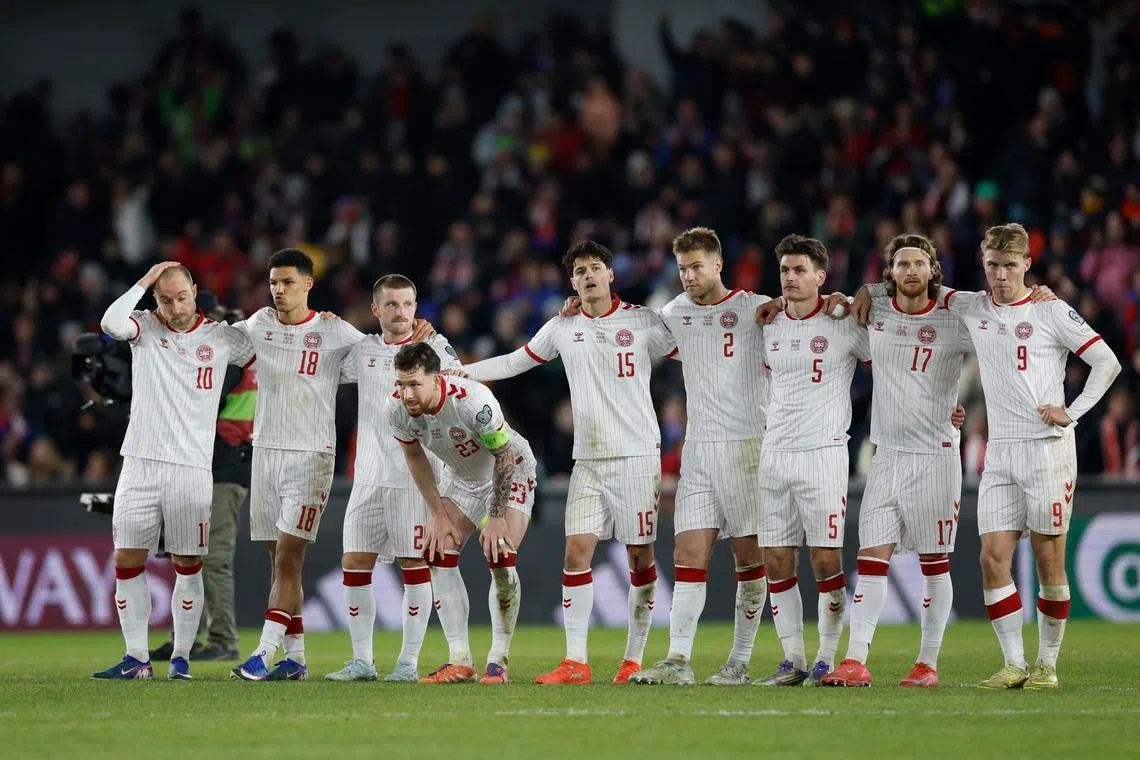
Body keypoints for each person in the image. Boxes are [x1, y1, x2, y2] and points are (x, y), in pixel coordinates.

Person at [856, 223, 1120, 689]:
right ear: (984, 264)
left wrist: (1072, 411)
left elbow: (1107, 361)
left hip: (1046, 451)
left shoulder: (1050, 309)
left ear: (1026, 265)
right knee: (991, 558)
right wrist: (866, 288)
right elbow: (914, 280)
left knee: (1047, 560)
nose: (1000, 275)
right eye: (993, 265)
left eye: (1009, 266)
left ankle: (1047, 666)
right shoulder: (971, 306)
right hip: (1000, 453)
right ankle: (1014, 664)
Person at [463, 241, 677, 684]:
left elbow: (693, 350)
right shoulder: (563, 326)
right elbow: (514, 361)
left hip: (638, 457)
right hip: (589, 461)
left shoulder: (642, 321)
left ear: (611, 274)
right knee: (576, 553)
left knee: (640, 558)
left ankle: (633, 658)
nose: (589, 276)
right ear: (572, 282)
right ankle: (576, 662)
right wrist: (460, 373)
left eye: (596, 267)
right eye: (580, 271)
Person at [565, 227, 770, 686]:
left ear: (719, 265)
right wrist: (581, 309)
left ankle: (738, 662)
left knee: (747, 558)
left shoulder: (756, 308)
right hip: (697, 450)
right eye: (682, 268)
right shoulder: (672, 314)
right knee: (686, 553)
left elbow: (811, 327)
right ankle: (678, 659)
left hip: (747, 448)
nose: (690, 276)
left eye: (698, 266)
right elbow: (624, 327)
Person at [818, 234, 969, 688]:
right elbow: (837, 306)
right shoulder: (875, 311)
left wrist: (970, 412)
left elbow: (1001, 350)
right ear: (889, 274)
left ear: (933, 270)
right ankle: (855, 659)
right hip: (886, 457)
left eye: (919, 263)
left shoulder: (955, 316)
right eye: (901, 264)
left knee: (934, 563)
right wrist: (862, 292)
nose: (910, 271)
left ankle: (927, 664)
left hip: (937, 457)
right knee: (871, 558)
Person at [94, 261, 254, 680]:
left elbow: (269, 348)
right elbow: (111, 323)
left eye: (183, 297)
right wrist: (145, 281)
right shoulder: (145, 328)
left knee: (189, 563)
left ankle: (181, 658)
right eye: (166, 299)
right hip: (140, 463)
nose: (176, 306)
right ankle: (136, 658)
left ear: (195, 291)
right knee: (127, 560)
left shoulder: (221, 338)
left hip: (191, 468)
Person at [231, 249, 365, 681]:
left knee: (288, 559)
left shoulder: (334, 330)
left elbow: (383, 352)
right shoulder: (259, 325)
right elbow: (216, 341)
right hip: (265, 452)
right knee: (280, 563)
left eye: (288, 282)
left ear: (309, 284)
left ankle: (263, 653)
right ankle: (297, 658)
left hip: (311, 456)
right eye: (273, 282)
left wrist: (420, 333)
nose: (279, 290)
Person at [325, 275, 461, 683]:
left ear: (416, 307)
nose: (401, 313)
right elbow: (326, 368)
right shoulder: (363, 351)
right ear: (376, 310)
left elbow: (461, 385)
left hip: (413, 476)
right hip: (367, 475)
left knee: (413, 564)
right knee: (354, 562)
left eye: (407, 304)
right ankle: (362, 661)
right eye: (392, 305)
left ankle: (407, 662)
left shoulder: (434, 349)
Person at [754, 235, 870, 687]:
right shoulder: (767, 324)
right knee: (777, 560)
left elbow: (896, 359)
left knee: (825, 561)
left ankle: (825, 656)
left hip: (823, 454)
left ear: (821, 277)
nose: (790, 277)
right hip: (774, 454)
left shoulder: (844, 322)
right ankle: (793, 660)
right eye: (784, 270)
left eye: (800, 270)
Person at [390, 342, 539, 684]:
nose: (406, 394)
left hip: (510, 468)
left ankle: (498, 660)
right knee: (437, 552)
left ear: (435, 379)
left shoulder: (473, 400)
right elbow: (415, 458)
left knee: (501, 554)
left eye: (414, 384)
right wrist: (438, 513)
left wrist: (497, 516)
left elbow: (503, 455)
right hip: (461, 477)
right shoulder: (396, 408)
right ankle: (459, 659)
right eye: (401, 384)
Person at [150, 301, 256, 663]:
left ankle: (224, 640)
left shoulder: (230, 358)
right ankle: (188, 638)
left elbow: (200, 403)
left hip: (225, 467)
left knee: (214, 560)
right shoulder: (236, 354)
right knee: (188, 556)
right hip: (207, 465)